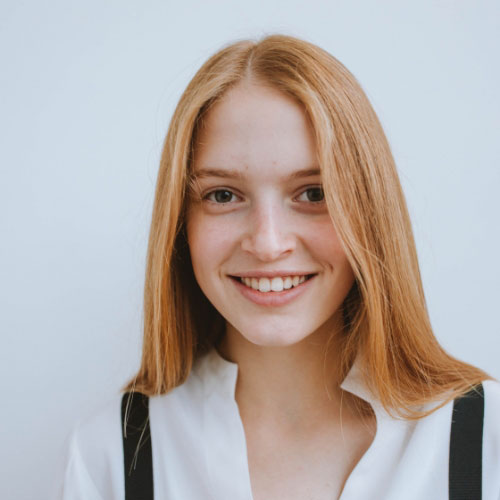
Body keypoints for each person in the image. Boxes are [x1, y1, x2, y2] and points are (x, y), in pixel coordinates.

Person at [58, 34, 500, 499]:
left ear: (370, 211)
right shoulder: (110, 457)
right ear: (180, 223)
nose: (268, 244)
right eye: (223, 195)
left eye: (314, 193)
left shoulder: (485, 440)